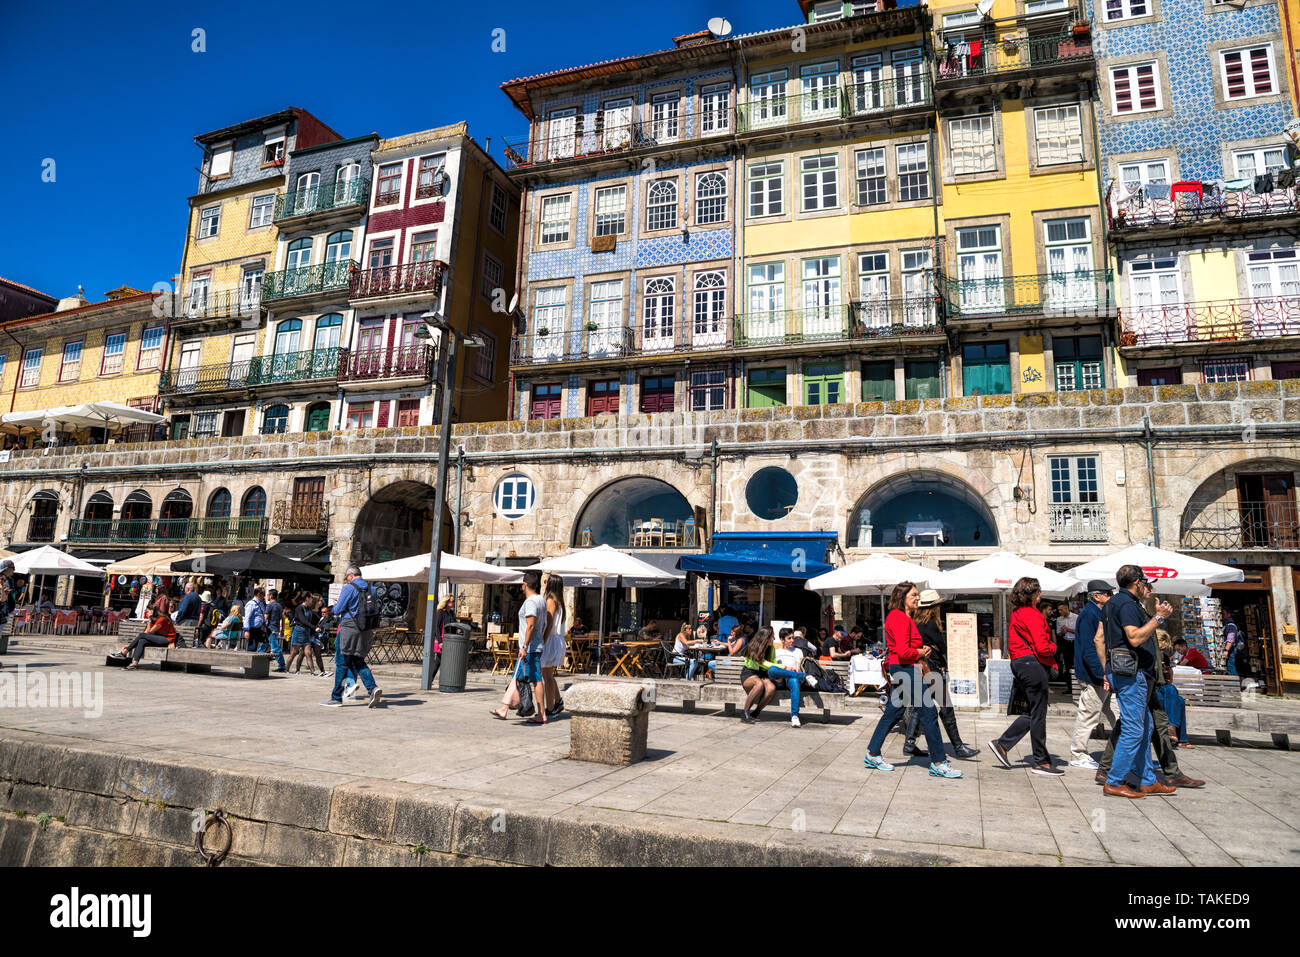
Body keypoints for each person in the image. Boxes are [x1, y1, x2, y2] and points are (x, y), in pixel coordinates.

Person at [862, 582, 961, 777]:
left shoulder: (904, 617)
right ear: (902, 598)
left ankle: (873, 753)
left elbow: (905, 647)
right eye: (914, 595)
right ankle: (939, 762)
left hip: (903, 668)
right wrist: (920, 651)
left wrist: (921, 649)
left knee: (893, 712)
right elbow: (903, 651)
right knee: (929, 712)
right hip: (905, 669)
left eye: (918, 595)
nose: (918, 598)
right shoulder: (900, 618)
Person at [1096, 614, 1205, 790]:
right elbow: (1100, 639)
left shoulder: (1139, 610)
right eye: (1146, 584)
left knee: (1154, 724)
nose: (1149, 587)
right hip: (1140, 677)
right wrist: (1107, 671)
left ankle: (1166, 774)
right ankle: (1109, 772)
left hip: (1149, 678)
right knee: (1131, 725)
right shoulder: (1127, 609)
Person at [1100, 565, 1175, 799]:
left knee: (1146, 726)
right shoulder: (1127, 605)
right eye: (1146, 582)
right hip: (1130, 673)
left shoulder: (1112, 603)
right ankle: (1114, 781)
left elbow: (1101, 639)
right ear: (1137, 582)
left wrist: (1107, 670)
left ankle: (1146, 780)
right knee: (1133, 728)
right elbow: (1134, 638)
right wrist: (1159, 618)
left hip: (1121, 670)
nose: (1149, 587)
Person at [988, 577, 1062, 775]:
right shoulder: (1033, 614)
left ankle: (1002, 745)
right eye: (1039, 591)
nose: (1041, 594)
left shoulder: (1017, 613)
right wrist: (1054, 647)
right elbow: (1042, 646)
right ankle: (1041, 761)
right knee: (1038, 714)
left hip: (1021, 663)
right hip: (1032, 664)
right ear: (1032, 594)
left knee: (1033, 712)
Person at [904, 590, 979, 759]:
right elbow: (941, 645)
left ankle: (909, 743)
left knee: (920, 706)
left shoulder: (914, 622)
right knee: (946, 707)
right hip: (931, 667)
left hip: (919, 667)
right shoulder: (930, 623)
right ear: (934, 608)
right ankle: (958, 747)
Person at [1068, 580, 1117, 770]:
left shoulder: (1098, 613)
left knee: (1117, 713)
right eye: (1108, 593)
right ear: (1097, 596)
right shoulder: (1090, 614)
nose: (1111, 597)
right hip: (1094, 676)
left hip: (1102, 675)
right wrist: (1102, 673)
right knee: (1088, 715)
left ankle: (1124, 750)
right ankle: (1078, 753)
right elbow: (1091, 649)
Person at [322, 566, 382, 708]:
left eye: (346, 576)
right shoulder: (371, 588)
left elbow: (337, 610)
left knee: (342, 661)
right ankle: (372, 688)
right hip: (366, 628)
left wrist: (336, 605)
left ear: (350, 575)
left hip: (349, 627)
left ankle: (336, 698)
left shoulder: (349, 588)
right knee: (358, 660)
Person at [490, 571, 545, 722]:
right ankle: (506, 708)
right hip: (536, 646)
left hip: (529, 648)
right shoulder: (541, 600)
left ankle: (538, 714)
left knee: (528, 678)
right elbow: (543, 624)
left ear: (524, 585)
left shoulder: (531, 602)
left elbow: (531, 625)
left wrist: (524, 646)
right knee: (525, 678)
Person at [739, 626, 817, 727]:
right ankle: (745, 712)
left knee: (771, 688)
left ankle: (756, 712)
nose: (773, 639)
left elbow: (773, 663)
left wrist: (780, 672)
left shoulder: (771, 648)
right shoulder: (752, 647)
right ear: (765, 637)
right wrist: (784, 667)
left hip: (763, 674)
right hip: (750, 673)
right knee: (759, 684)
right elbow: (762, 663)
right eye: (772, 636)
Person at [117, 597, 178, 669]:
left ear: (153, 611)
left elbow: (150, 632)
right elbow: (146, 633)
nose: (147, 612)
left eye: (148, 611)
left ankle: (124, 652)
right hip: (160, 638)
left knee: (141, 635)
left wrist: (149, 620)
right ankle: (134, 664)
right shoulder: (153, 620)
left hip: (168, 640)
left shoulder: (161, 619)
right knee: (141, 640)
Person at [540, 575, 567, 717]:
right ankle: (558, 700)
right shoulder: (560, 601)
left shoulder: (551, 600)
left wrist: (543, 640)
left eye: (547, 581)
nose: (545, 583)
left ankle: (550, 708)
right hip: (557, 640)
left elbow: (549, 623)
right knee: (548, 674)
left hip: (550, 640)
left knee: (547, 676)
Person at [287, 593, 319, 674]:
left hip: (306, 632)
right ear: (307, 598)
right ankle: (286, 669)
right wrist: (314, 627)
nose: (312, 599)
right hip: (299, 632)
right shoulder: (299, 608)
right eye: (311, 598)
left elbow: (311, 620)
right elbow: (303, 620)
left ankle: (312, 671)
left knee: (308, 653)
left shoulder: (308, 608)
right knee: (294, 652)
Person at [430, 593, 456, 684]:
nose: (453, 603)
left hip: (450, 639)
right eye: (452, 601)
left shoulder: (452, 613)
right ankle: (432, 678)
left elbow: (454, 626)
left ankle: (437, 679)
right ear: (447, 601)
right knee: (440, 660)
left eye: (454, 601)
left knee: (442, 660)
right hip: (442, 640)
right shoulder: (441, 612)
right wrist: (440, 641)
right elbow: (437, 627)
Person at [1055, 601, 1077, 694]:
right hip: (1066, 643)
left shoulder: (1076, 617)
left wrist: (1068, 629)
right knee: (1067, 665)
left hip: (1075, 643)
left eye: (1061, 609)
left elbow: (1079, 631)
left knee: (1076, 664)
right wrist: (1063, 632)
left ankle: (1077, 687)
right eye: (1058, 610)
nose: (1059, 612)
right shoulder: (1059, 620)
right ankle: (1070, 687)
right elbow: (1058, 633)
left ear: (1066, 608)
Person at [262, 588, 286, 672]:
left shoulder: (270, 605)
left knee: (275, 648)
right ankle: (256, 662)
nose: (267, 596)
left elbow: (265, 617)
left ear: (271, 596)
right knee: (263, 646)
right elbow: (282, 618)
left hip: (270, 629)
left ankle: (282, 666)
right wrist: (282, 629)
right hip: (276, 629)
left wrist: (261, 626)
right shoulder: (279, 605)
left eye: (268, 595)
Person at [1222, 610, 1241, 676]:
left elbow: (1230, 639)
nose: (1222, 616)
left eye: (1223, 614)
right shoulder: (1226, 624)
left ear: (1229, 614)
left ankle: (1235, 684)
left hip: (1230, 650)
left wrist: (1226, 650)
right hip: (1229, 650)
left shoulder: (1231, 626)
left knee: (1230, 668)